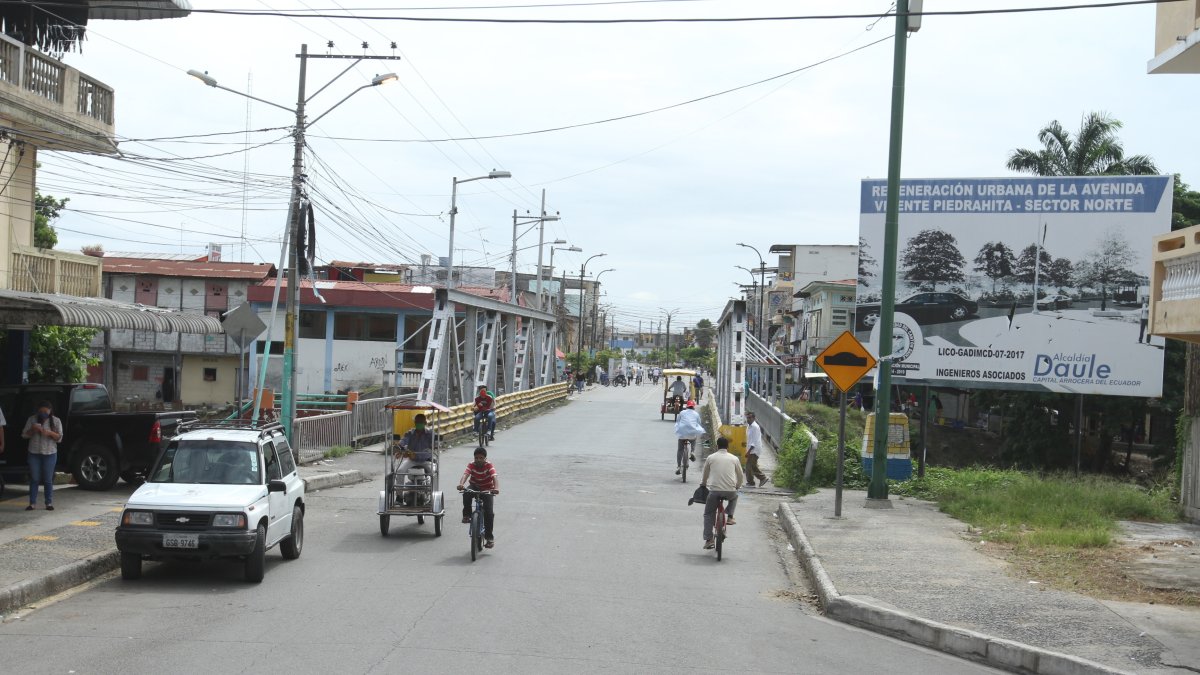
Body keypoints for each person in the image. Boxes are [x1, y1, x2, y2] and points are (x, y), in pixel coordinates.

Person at [700, 437, 743, 549]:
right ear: (727, 447)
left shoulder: (710, 457)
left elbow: (705, 474)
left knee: (708, 514)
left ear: (717, 446)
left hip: (714, 491)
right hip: (730, 491)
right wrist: (737, 486)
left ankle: (709, 540)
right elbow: (740, 476)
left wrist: (703, 484)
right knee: (734, 497)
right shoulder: (734, 459)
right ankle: (730, 516)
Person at [22, 400, 62, 511]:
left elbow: (59, 438)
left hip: (50, 453)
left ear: (50, 411)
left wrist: (49, 433)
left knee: (48, 479)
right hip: (34, 453)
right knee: (34, 478)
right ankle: (32, 503)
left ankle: (48, 503)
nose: (43, 413)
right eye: (41, 411)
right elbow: (24, 435)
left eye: (45, 411)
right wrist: (32, 430)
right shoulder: (32, 419)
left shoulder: (56, 421)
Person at [457, 446, 499, 548]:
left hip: (487, 489)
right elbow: (465, 475)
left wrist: (496, 488)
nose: (478, 460)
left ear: (485, 458)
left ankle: (489, 538)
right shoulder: (471, 464)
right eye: (476, 458)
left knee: (489, 513)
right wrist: (461, 484)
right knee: (466, 493)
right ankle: (466, 515)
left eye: (481, 458)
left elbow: (494, 477)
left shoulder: (489, 465)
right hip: (474, 486)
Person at [674, 400, 705, 475]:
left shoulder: (682, 412)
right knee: (694, 438)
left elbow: (678, 422)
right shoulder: (696, 414)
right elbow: (699, 423)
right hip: (691, 435)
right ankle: (692, 451)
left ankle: (678, 466)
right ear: (694, 406)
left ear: (687, 406)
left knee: (680, 450)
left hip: (682, 434)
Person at [744, 411, 768, 487]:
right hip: (751, 449)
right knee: (752, 466)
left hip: (754, 450)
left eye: (750, 418)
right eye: (747, 418)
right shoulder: (749, 426)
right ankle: (762, 478)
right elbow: (750, 439)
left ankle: (751, 482)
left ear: (754, 418)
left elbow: (754, 441)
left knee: (749, 466)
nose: (748, 419)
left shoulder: (755, 427)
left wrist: (748, 451)